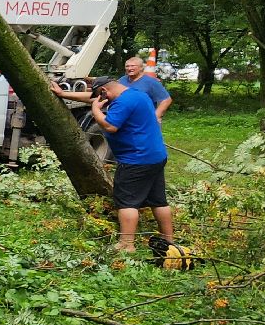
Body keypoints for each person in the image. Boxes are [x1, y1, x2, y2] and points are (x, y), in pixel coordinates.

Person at [88, 76, 174, 253]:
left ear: (104, 91)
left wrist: (96, 110)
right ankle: (169, 241)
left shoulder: (122, 103)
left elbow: (111, 126)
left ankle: (127, 244)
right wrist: (63, 93)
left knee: (127, 202)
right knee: (158, 200)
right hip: (156, 156)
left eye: (101, 97)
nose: (102, 101)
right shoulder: (138, 94)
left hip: (136, 160)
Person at [49, 56, 171, 120]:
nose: (129, 68)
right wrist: (63, 94)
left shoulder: (150, 82)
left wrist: (157, 116)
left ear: (141, 68)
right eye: (127, 66)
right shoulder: (122, 81)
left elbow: (166, 99)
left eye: (133, 66)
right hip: (124, 119)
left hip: (144, 120)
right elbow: (99, 97)